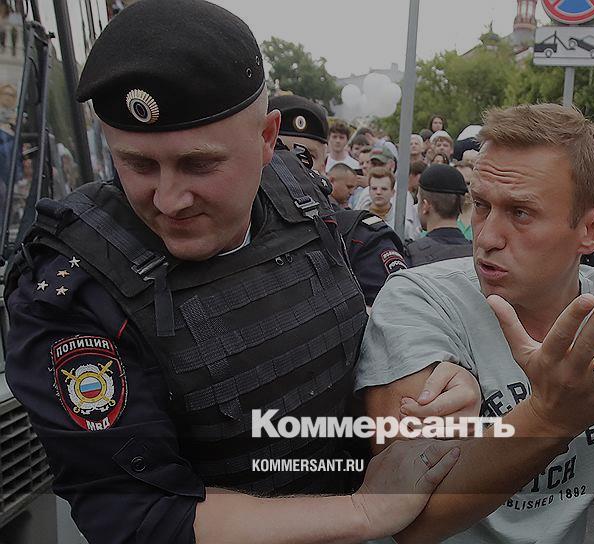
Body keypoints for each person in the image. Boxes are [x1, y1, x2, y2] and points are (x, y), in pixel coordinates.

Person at [1, 1, 461, 543]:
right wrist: (365, 513)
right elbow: (139, 515)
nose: (169, 199)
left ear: (266, 139)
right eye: (138, 164)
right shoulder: (74, 289)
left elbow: (369, 251)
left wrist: (436, 359)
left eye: (199, 164)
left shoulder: (294, 193)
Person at [356, 103, 594, 544]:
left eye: (521, 213)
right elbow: (411, 518)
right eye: (481, 205)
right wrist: (553, 416)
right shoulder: (419, 300)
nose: (486, 237)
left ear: (592, 228)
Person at [268, 93, 409, 310]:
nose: (290, 168)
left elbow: (397, 314)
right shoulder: (228, 236)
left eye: (304, 158)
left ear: (324, 165)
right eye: (279, 154)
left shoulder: (360, 238)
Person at [405, 164, 473, 266]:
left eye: (419, 201)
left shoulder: (411, 256)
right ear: (460, 205)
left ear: (425, 206)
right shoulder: (476, 255)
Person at [367, 166, 419, 242]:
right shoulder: (359, 219)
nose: (378, 192)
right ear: (369, 191)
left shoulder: (404, 226)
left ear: (393, 192)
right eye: (374, 188)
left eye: (384, 189)